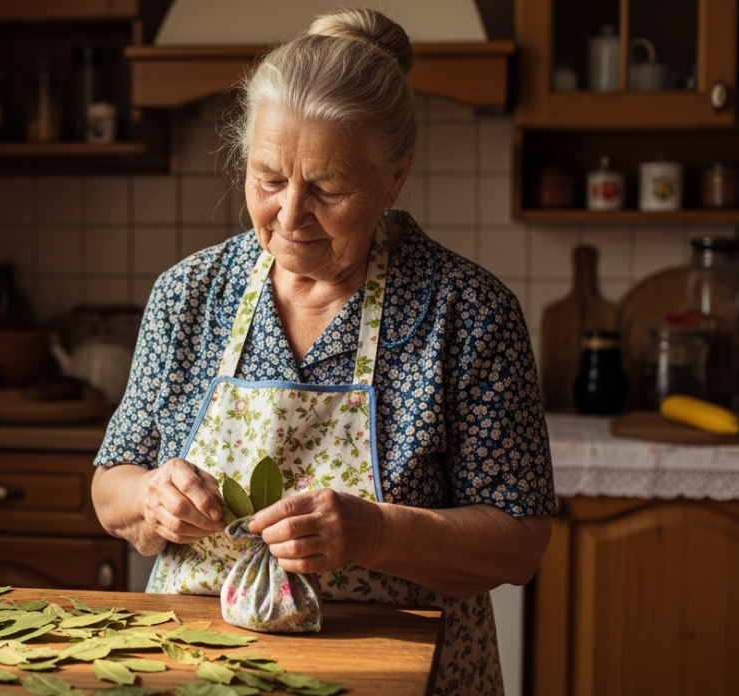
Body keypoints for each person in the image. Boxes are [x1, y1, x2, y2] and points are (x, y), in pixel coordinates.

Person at [90, 9, 555, 695]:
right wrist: (152, 497)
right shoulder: (189, 295)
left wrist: (376, 534)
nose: (288, 215)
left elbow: (519, 541)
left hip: (399, 679)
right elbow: (110, 487)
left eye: (328, 189)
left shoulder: (466, 313)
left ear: (395, 177)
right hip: (200, 670)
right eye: (268, 180)